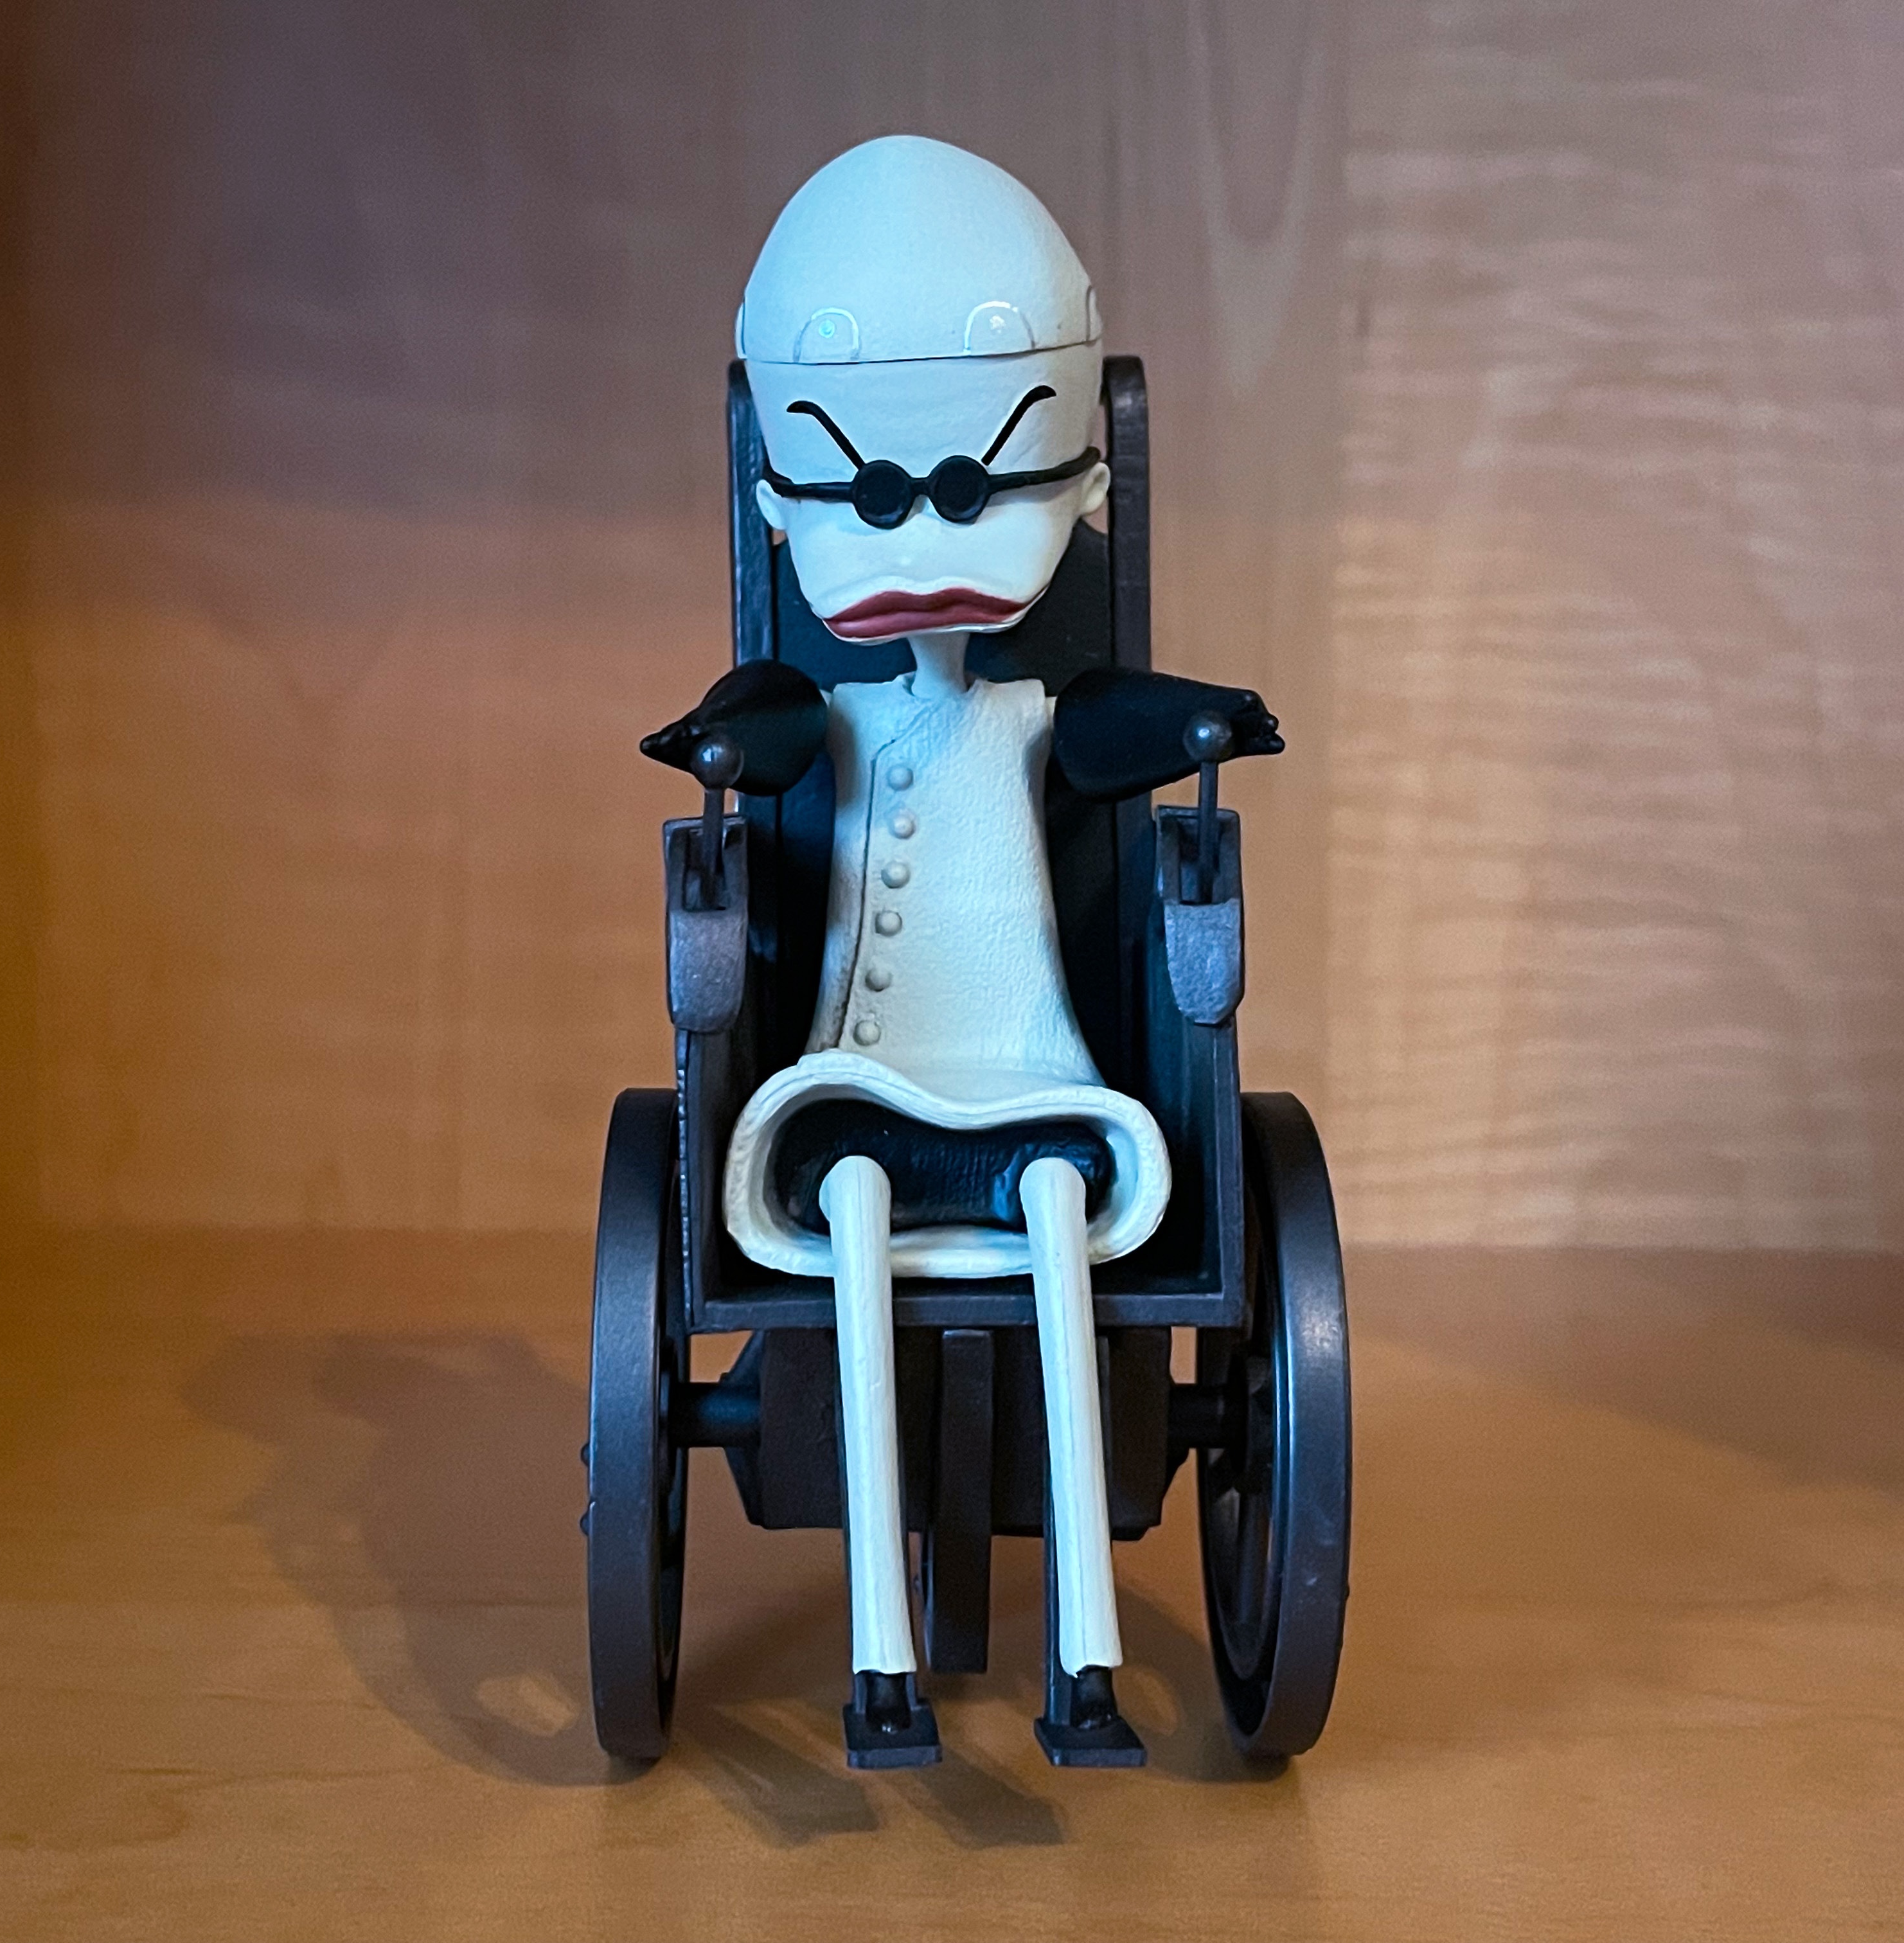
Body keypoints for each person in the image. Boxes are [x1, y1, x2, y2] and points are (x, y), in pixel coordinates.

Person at [643, 136, 1281, 1764]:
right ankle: (884, 1661)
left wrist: (1202, 725)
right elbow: (764, 727)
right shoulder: (835, 712)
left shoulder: (1027, 712)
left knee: (1060, 1228)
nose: (921, 540)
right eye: (867, 497)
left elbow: (1115, 731)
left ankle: (1086, 1661)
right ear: (789, 501)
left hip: (1031, 1075)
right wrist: (714, 744)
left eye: (971, 490)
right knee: (854, 1223)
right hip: (854, 1079)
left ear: (1078, 487)